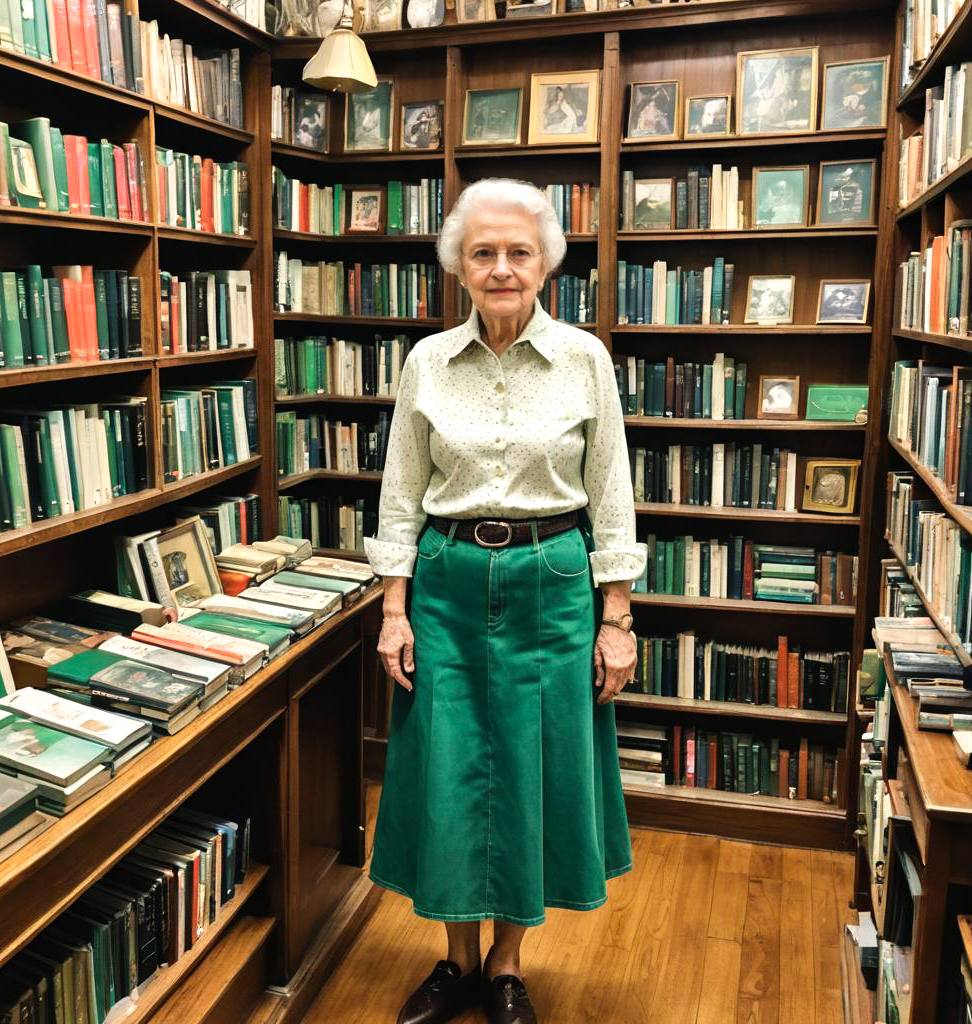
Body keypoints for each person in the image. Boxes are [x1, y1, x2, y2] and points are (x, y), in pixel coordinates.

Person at [364, 178, 646, 1024]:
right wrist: (393, 608)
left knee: (529, 771)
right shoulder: (425, 362)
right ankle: (453, 963)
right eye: (482, 251)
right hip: (446, 584)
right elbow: (401, 494)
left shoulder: (585, 359)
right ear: (459, 263)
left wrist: (618, 618)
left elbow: (610, 494)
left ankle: (508, 965)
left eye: (518, 251)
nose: (500, 267)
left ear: (545, 262)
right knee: (449, 770)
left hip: (551, 583)